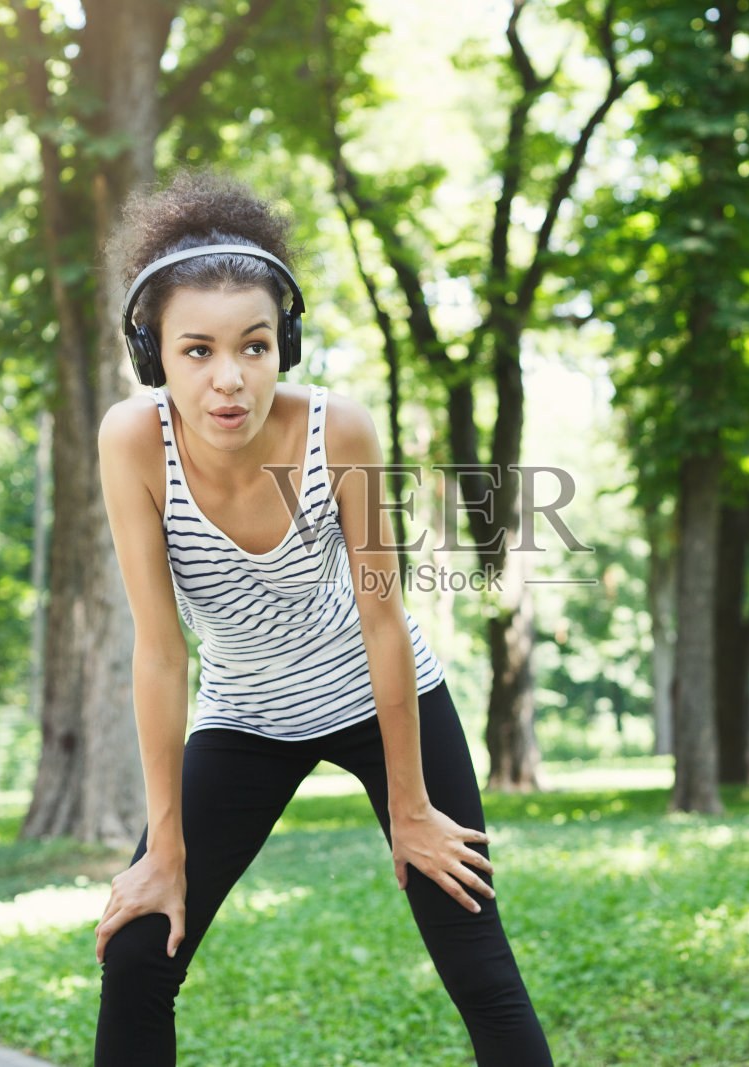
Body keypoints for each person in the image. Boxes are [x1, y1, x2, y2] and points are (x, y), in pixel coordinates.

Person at [89, 169, 553, 1066]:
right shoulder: (133, 441)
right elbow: (159, 649)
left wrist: (412, 807)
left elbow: (385, 620)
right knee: (140, 951)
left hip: (383, 699)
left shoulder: (337, 431)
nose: (230, 378)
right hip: (245, 716)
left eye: (255, 346)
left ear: (284, 343)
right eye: (197, 351)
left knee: (478, 960)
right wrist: (163, 848)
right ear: (154, 354)